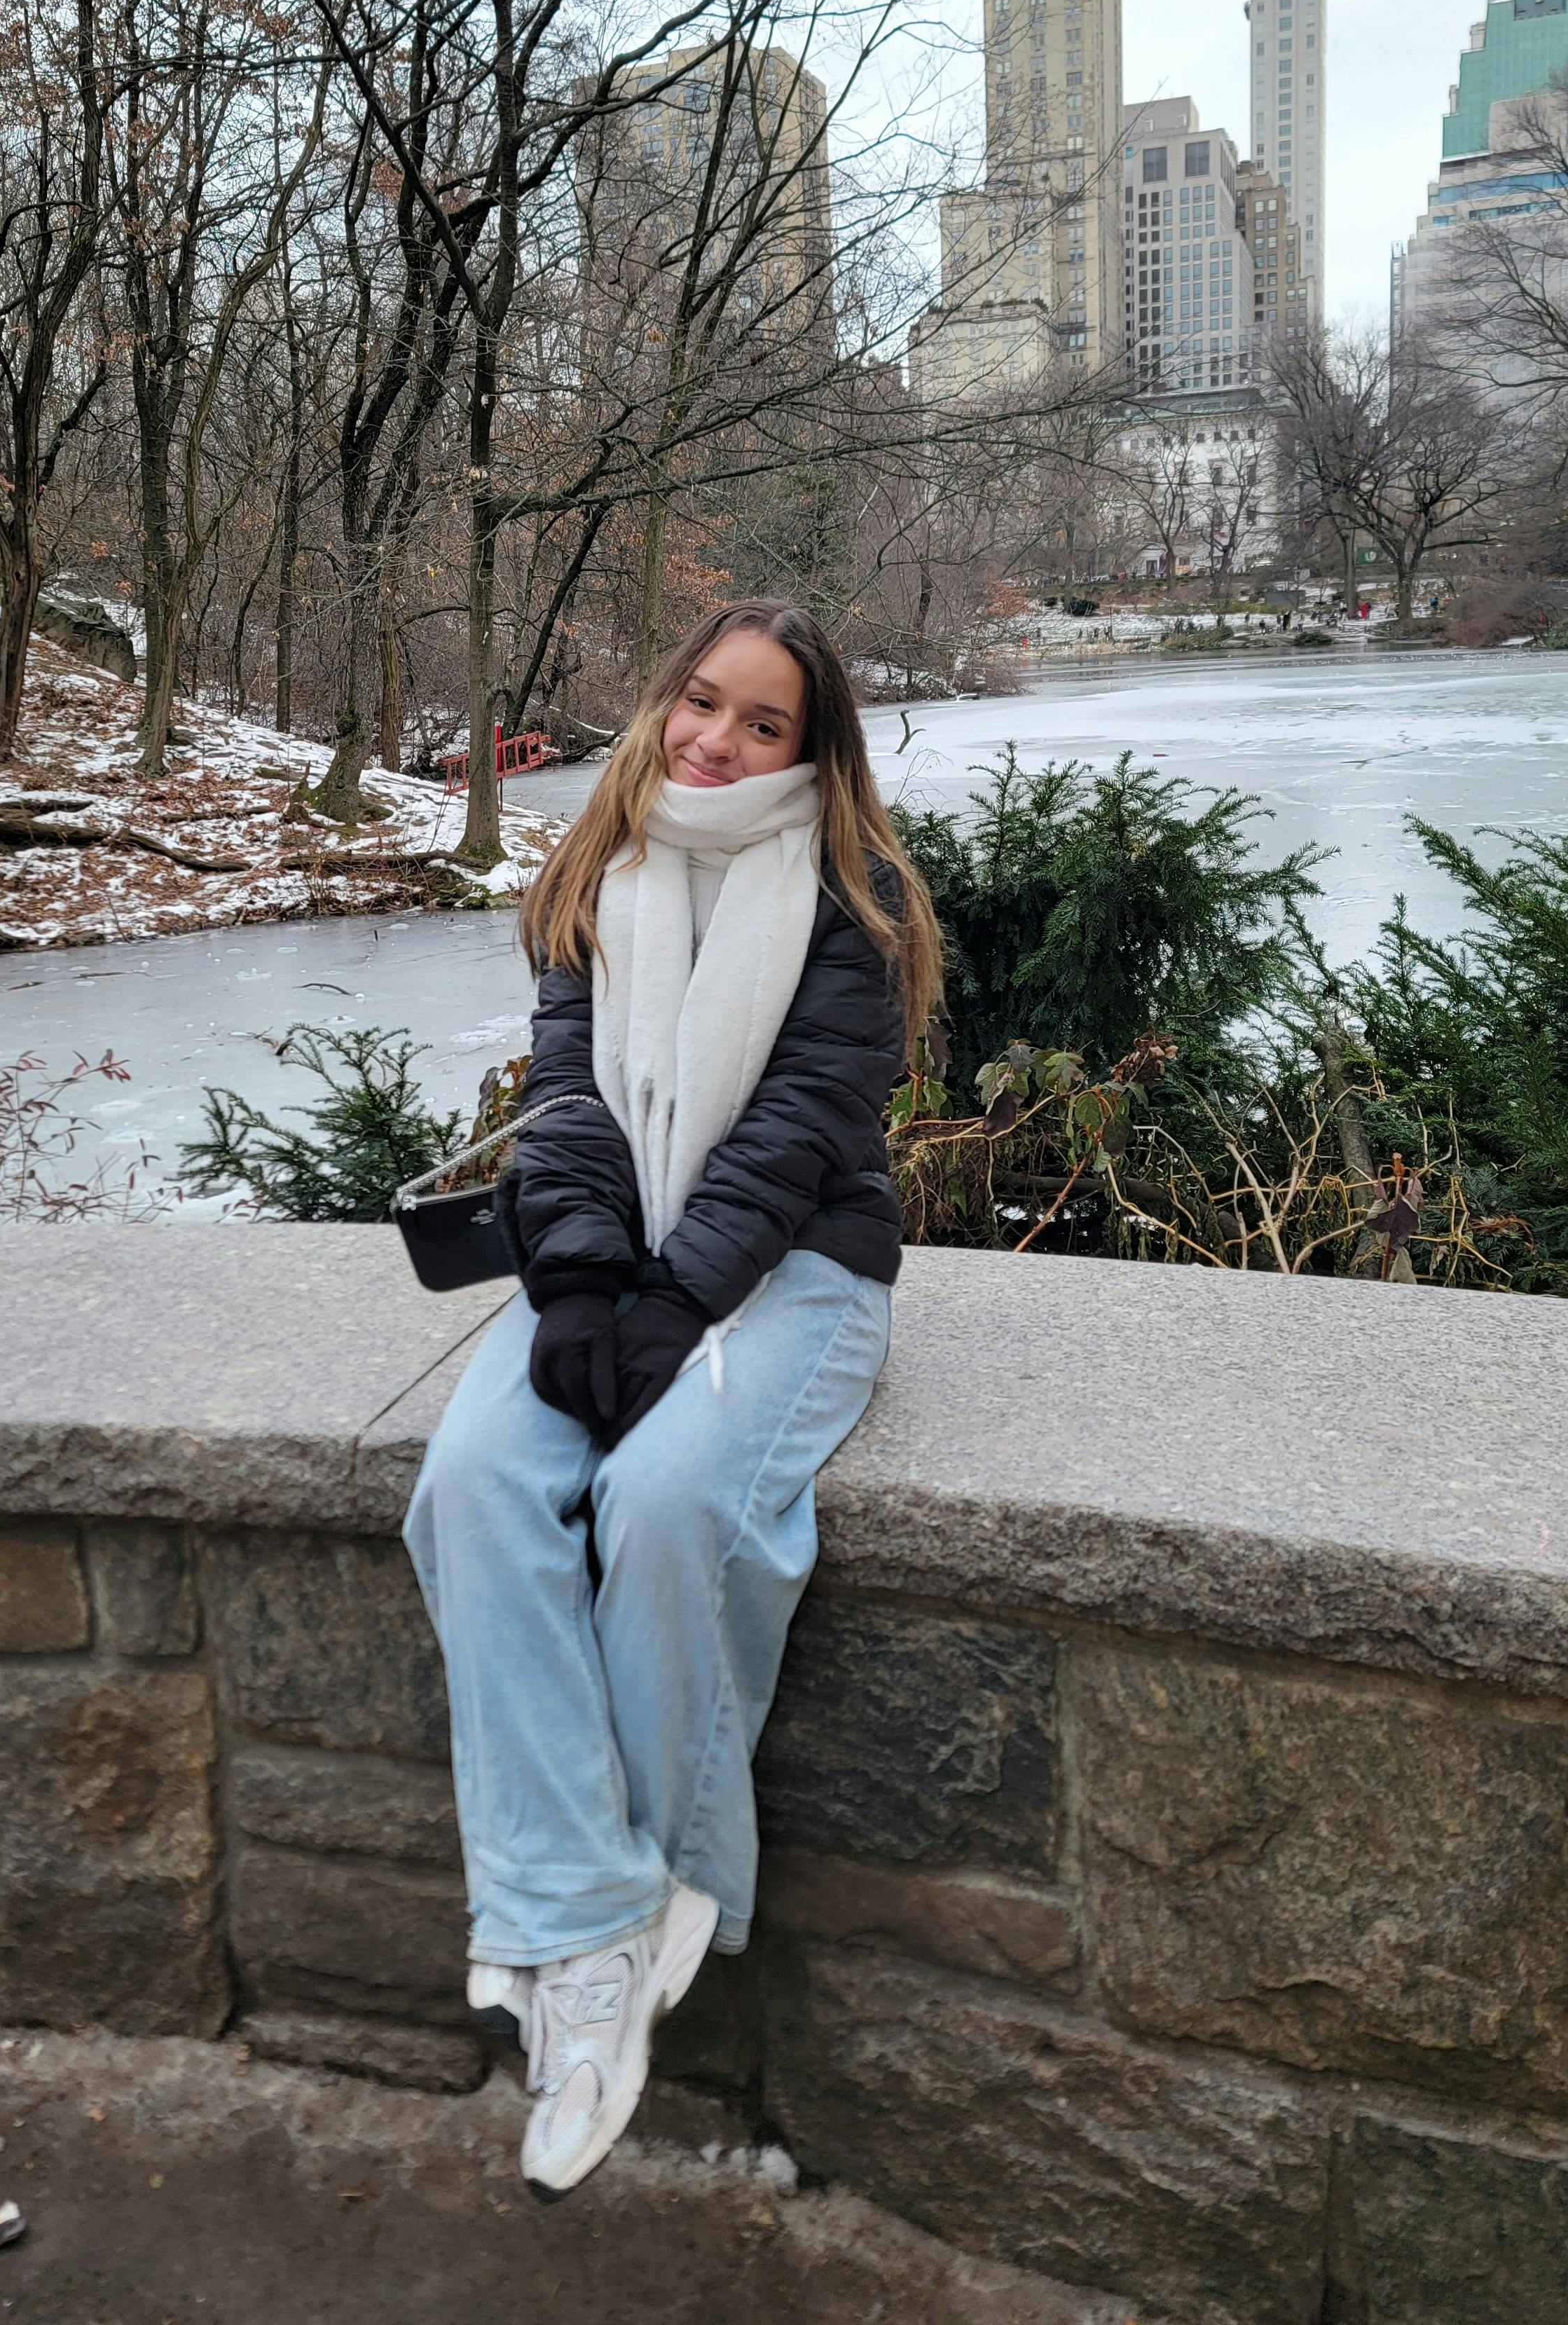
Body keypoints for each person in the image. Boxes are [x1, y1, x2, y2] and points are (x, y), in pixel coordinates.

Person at [403, 599, 942, 2202]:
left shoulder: (861, 898)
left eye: (760, 722)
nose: (713, 739)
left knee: (669, 1500)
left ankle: (639, 1915)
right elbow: (564, 1104)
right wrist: (578, 1284)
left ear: (811, 748)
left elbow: (795, 1135)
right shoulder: (601, 868)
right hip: (622, 1259)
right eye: (699, 700)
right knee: (478, 1482)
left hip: (796, 1274)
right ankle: (588, 1921)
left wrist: (675, 1299)